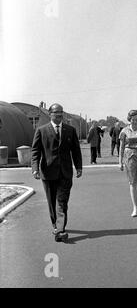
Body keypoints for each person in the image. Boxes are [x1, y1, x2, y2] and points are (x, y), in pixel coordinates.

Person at [31, 103, 82, 242]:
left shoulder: (70, 130)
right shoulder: (41, 130)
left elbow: (76, 151)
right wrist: (35, 168)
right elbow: (35, 151)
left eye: (61, 112)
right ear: (50, 114)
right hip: (48, 172)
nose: (59, 115)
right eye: (56, 112)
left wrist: (78, 167)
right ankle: (56, 225)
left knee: (62, 201)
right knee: (51, 200)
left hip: (65, 172)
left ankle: (60, 230)